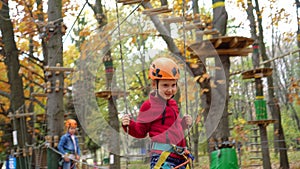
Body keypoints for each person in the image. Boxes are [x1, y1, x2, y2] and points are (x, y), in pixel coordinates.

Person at [122, 57, 193, 169]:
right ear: (154, 84)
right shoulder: (149, 106)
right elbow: (141, 131)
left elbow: (174, 127)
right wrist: (128, 124)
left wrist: (184, 123)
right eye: (165, 85)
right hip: (163, 156)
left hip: (180, 157)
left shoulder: (173, 104)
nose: (170, 90)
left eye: (173, 85)